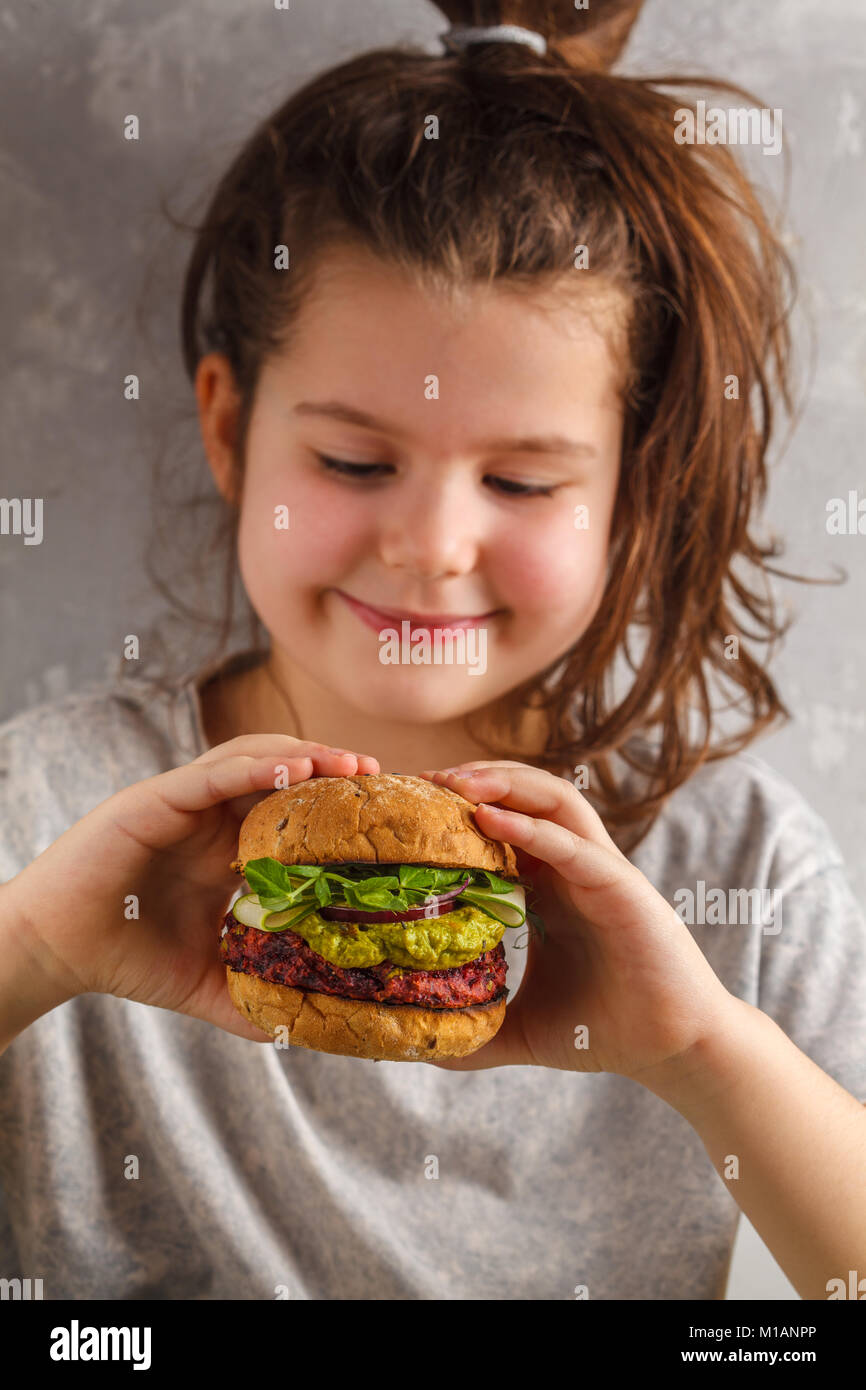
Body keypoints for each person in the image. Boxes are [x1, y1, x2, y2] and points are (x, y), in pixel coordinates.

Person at [1, 0, 864, 1302]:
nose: (429, 546)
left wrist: (699, 1048)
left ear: (628, 489)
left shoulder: (740, 869)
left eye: (522, 481)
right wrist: (36, 955)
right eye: (353, 462)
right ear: (229, 431)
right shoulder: (46, 813)